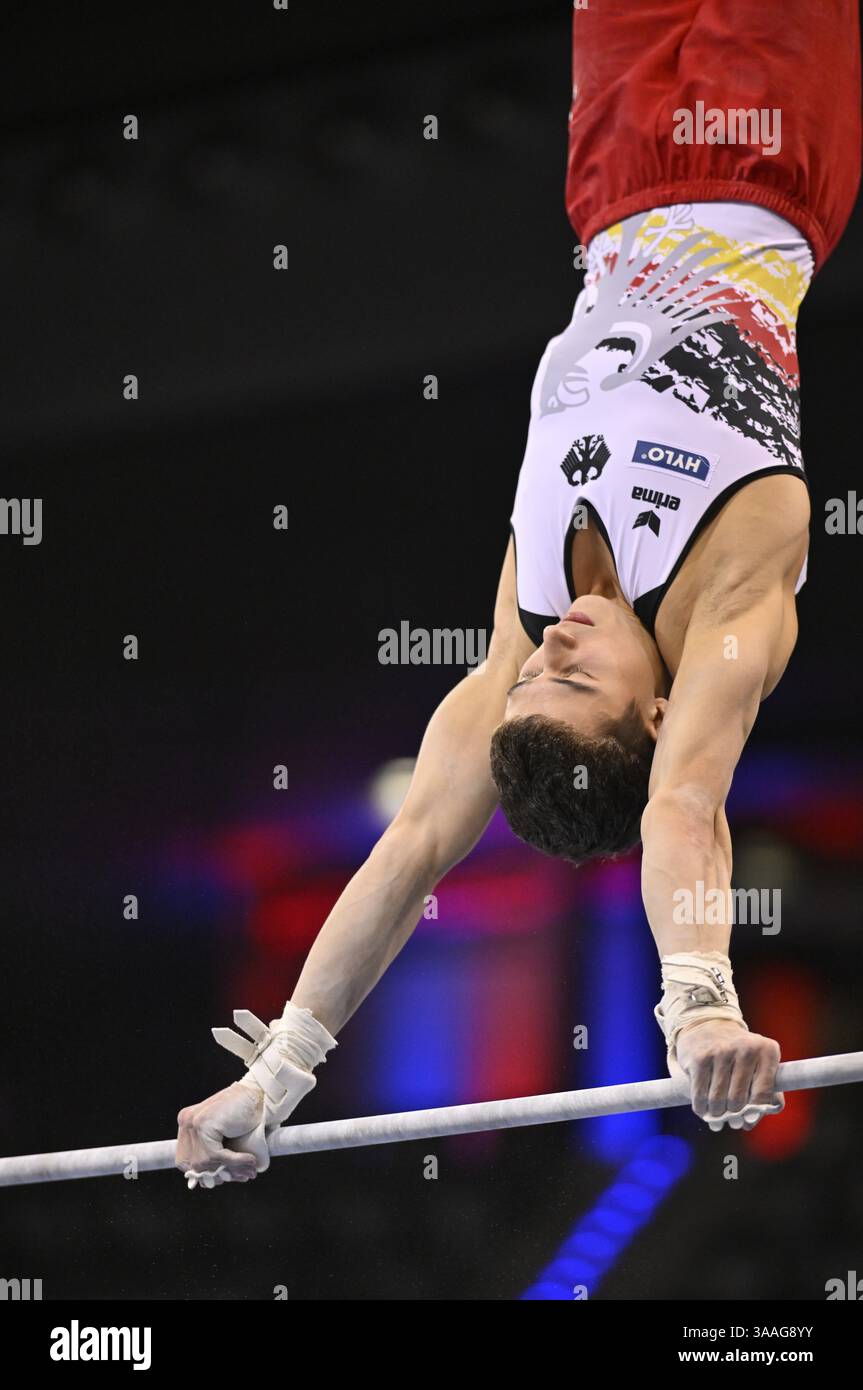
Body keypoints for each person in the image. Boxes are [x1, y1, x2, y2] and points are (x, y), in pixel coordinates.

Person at [176, 0, 861, 1187]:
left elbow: (410, 853)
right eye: (578, 671)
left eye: (537, 667)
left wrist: (277, 1069)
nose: (552, 648)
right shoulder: (734, 595)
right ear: (655, 716)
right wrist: (695, 1004)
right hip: (762, 152)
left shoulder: (521, 640)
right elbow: (683, 807)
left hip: (609, 177)